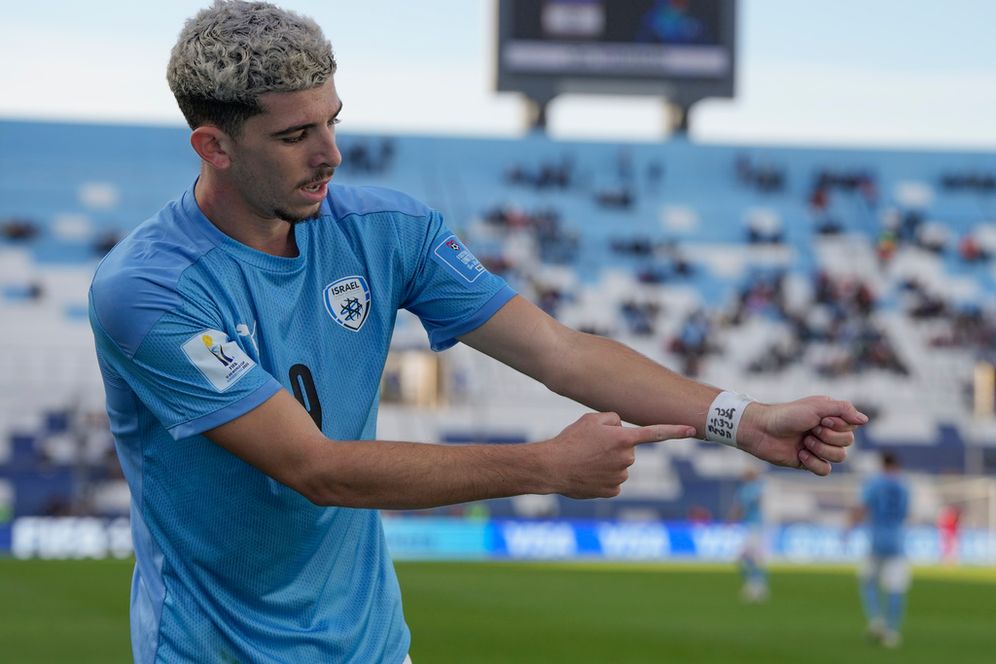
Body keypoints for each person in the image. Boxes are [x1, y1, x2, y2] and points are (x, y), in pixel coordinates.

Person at [87, 2, 867, 662]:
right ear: (213, 146)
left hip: (372, 644)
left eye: (333, 120)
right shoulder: (148, 291)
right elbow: (315, 469)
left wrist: (743, 418)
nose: (331, 154)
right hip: (213, 649)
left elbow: (560, 354)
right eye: (295, 136)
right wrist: (547, 467)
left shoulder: (386, 229)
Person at [852, 451, 910, 648]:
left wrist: (849, 526)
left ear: (882, 464)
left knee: (867, 581)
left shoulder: (875, 483)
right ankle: (892, 632)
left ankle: (876, 619)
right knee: (896, 589)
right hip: (897, 543)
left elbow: (861, 507)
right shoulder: (904, 485)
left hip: (876, 541)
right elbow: (905, 513)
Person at [728, 467, 768, 602]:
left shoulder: (755, 488)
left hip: (755, 527)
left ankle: (757, 586)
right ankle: (756, 584)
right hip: (749, 526)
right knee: (746, 558)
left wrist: (733, 518)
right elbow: (738, 507)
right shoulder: (744, 489)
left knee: (750, 557)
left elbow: (744, 506)